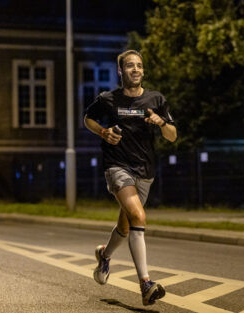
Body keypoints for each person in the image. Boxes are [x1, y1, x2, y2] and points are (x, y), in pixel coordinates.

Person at [84, 50, 177, 306]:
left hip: (145, 171)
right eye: (130, 66)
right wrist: (103, 132)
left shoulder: (156, 99)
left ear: (143, 71)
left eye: (139, 66)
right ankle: (145, 284)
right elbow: (88, 118)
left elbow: (172, 135)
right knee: (138, 216)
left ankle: (104, 255)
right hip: (117, 166)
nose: (135, 69)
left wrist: (160, 123)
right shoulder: (108, 99)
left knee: (126, 226)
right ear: (121, 71)